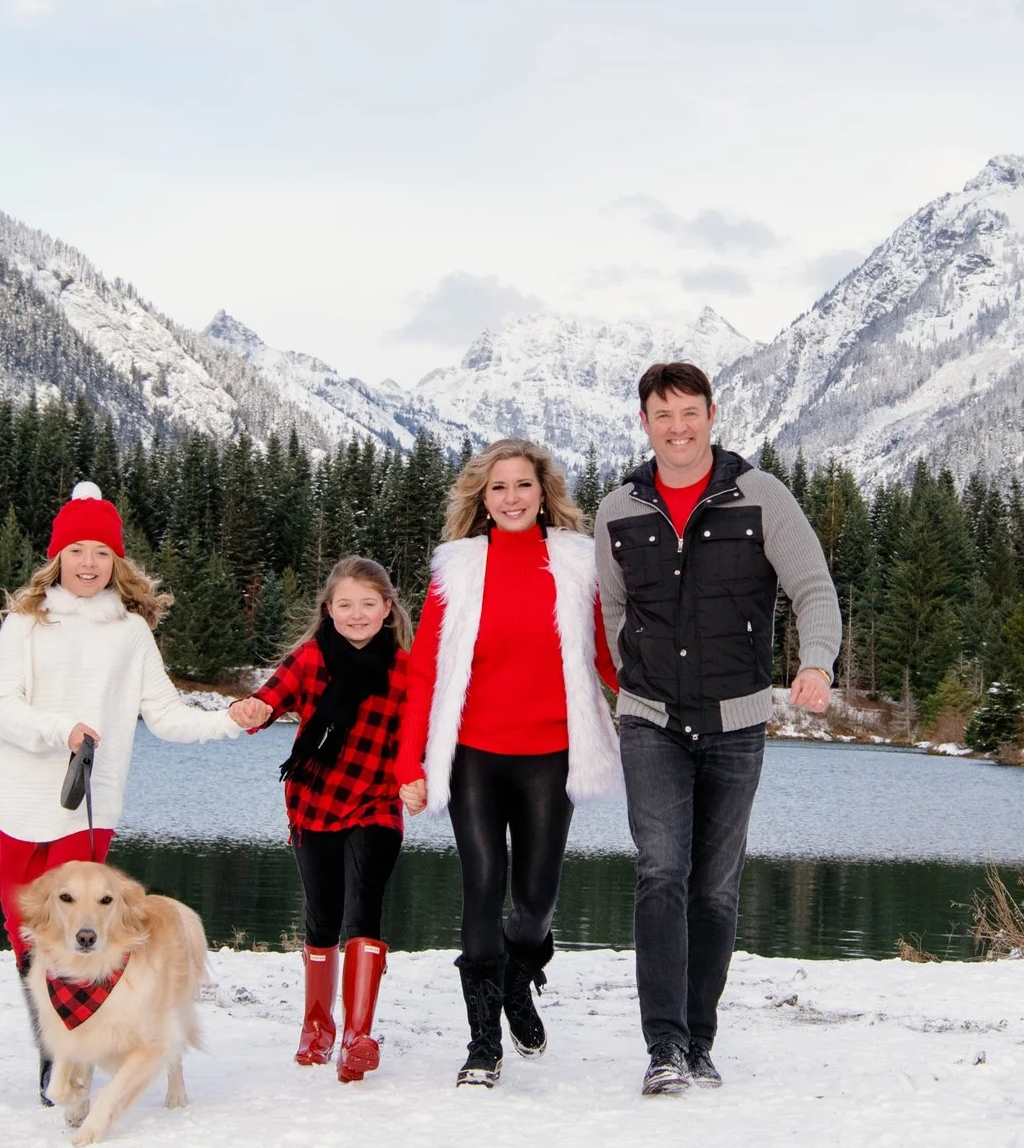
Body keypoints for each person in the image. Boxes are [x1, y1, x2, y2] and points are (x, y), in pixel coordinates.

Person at [593, 362, 841, 1096]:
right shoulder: (619, 509)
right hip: (650, 719)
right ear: (644, 422)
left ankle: (700, 1038)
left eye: (690, 411)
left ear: (711, 414)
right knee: (661, 870)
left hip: (738, 721)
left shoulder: (759, 497)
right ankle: (663, 1044)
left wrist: (818, 664)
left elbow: (813, 588)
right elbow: (610, 612)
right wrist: (627, 678)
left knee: (716, 888)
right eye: (663, 413)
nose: (678, 426)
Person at [0, 482, 244, 1104]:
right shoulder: (26, 623)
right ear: (57, 559)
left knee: (83, 925)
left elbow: (168, 715)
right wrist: (57, 730)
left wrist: (231, 719)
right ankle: (55, 1051)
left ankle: (69, 1058)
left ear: (117, 563)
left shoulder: (130, 634)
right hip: (18, 793)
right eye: (77, 550)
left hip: (88, 802)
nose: (88, 563)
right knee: (27, 930)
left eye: (101, 551)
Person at [398, 438, 621, 1088]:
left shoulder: (578, 564)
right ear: (482, 498)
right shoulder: (459, 569)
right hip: (474, 755)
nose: (512, 496)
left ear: (543, 493)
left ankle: (521, 979)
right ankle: (482, 1042)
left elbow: (609, 658)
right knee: (483, 883)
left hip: (552, 754)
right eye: (499, 487)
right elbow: (425, 671)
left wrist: (658, 692)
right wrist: (408, 762)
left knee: (535, 897)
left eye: (524, 485)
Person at [229, 556, 412, 1082]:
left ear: (387, 609)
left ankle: (358, 1035)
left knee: (364, 909)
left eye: (368, 605)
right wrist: (253, 710)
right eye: (346, 604)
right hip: (313, 804)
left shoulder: (405, 669)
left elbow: (418, 735)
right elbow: (269, 699)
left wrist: (416, 776)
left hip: (377, 803)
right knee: (322, 918)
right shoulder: (309, 658)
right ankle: (317, 1027)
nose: (357, 615)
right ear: (328, 609)